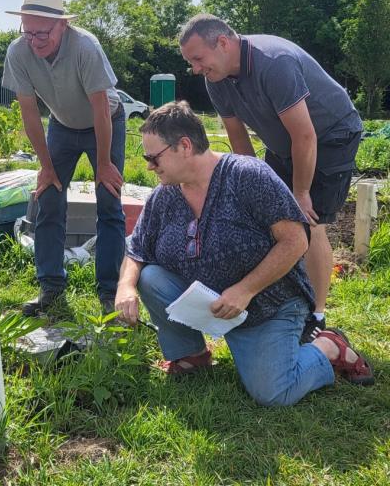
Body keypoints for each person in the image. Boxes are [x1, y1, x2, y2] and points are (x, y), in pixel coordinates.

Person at [114, 102, 373, 406]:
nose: (148, 167)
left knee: (273, 393)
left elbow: (296, 242)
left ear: (184, 146)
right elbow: (138, 249)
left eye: (153, 158)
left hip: (268, 304)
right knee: (150, 277)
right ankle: (190, 356)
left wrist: (245, 290)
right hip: (213, 303)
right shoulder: (165, 194)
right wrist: (125, 286)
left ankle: (328, 347)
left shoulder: (247, 176)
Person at [178, 14, 363, 343]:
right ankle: (285, 297)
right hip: (284, 144)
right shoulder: (216, 79)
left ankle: (316, 316)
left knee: (308, 222)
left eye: (197, 59)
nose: (194, 68)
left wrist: (302, 193)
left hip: (330, 135)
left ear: (222, 43)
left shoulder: (273, 63)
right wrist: (249, 189)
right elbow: (239, 141)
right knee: (270, 219)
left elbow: (305, 136)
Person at [2, 0, 126, 316]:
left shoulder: (85, 47)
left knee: (109, 200)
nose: (35, 40)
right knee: (48, 199)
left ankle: (109, 293)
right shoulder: (19, 53)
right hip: (62, 126)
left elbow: (100, 108)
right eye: (27, 32)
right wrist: (45, 166)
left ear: (62, 26)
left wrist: (103, 164)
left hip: (105, 123)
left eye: (42, 33)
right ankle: (51, 287)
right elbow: (29, 112)